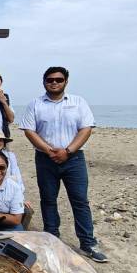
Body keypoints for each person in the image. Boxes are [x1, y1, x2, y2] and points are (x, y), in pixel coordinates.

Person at [20, 66, 107, 263]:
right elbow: (29, 131)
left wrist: (68, 151)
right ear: (44, 82)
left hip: (74, 159)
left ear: (65, 81)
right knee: (48, 199)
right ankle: (52, 238)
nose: (54, 83)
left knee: (80, 201)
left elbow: (86, 129)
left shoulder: (78, 102)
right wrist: (50, 151)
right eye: (50, 79)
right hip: (45, 159)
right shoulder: (35, 104)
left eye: (58, 79)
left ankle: (88, 243)